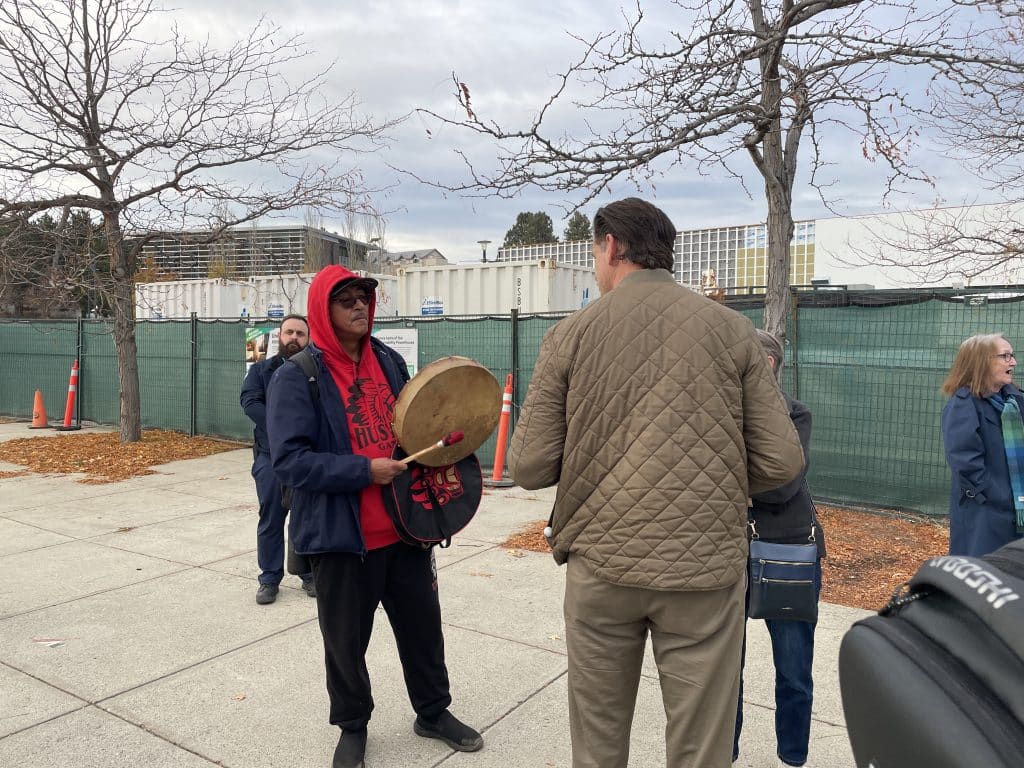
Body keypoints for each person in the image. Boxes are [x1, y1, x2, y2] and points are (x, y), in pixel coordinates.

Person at [507, 197, 805, 768]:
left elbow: (529, 467)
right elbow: (781, 461)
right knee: (701, 747)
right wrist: (712, 480)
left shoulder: (570, 335)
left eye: (595, 252)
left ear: (612, 247)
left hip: (602, 563)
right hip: (704, 569)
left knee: (597, 741)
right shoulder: (733, 332)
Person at [266, 265, 482, 768]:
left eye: (365, 296)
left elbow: (414, 428)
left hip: (406, 530)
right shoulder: (297, 378)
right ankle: (352, 727)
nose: (361, 305)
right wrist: (363, 470)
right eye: (347, 299)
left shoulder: (387, 359)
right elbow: (290, 461)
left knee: (424, 630)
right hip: (343, 539)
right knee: (345, 644)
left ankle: (432, 712)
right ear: (324, 309)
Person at [733, 329, 826, 768]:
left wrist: (733, 485)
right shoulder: (721, 411)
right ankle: (722, 753)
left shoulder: (796, 414)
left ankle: (793, 757)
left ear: (766, 364)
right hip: (731, 553)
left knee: (793, 671)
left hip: (789, 553)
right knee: (724, 670)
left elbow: (784, 485)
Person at [240, 313, 315, 605]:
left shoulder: (313, 371)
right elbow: (249, 402)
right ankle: (270, 578)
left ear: (308, 340)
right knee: (271, 517)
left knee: (304, 516)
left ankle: (306, 572)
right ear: (279, 337)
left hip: (305, 459)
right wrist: (282, 426)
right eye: (289, 333)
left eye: (300, 334)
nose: (294, 338)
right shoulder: (261, 371)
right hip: (270, 458)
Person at [941, 333, 1024, 556]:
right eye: (1005, 356)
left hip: (1018, 505)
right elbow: (965, 461)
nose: (1013, 362)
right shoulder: (964, 405)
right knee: (985, 574)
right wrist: (996, 496)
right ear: (982, 362)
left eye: (1012, 355)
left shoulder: (1015, 401)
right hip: (987, 512)